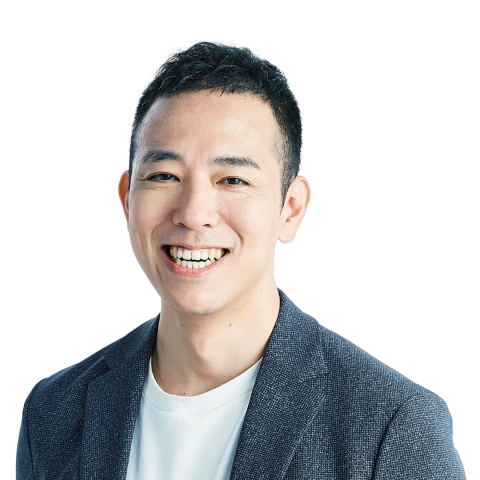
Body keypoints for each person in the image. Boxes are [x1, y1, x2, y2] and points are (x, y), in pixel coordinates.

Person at [16, 39, 466, 479]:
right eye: (164, 175)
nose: (193, 213)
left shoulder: (394, 425)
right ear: (126, 199)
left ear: (292, 209)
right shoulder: (54, 412)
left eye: (232, 179)